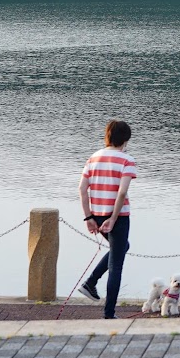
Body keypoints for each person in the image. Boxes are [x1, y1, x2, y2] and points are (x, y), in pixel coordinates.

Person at [78, 119, 137, 318]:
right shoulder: (126, 160)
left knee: (120, 248)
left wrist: (88, 217)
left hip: (97, 213)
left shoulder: (93, 158)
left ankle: (91, 282)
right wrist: (113, 218)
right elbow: (122, 193)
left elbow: (82, 189)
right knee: (116, 265)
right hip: (117, 217)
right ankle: (109, 313)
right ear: (126, 139)